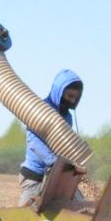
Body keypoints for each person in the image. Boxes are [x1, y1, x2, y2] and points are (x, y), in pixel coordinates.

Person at [18, 69, 82, 207]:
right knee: (25, 219)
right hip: (35, 176)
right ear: (59, 92)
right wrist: (54, 162)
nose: (72, 100)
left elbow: (63, 144)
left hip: (55, 177)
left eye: (75, 98)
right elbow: (33, 142)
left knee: (73, 209)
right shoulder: (40, 110)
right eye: (69, 96)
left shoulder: (67, 117)